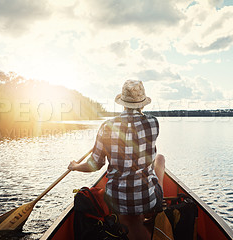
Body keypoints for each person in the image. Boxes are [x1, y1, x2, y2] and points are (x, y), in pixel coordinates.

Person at [68, 80, 165, 240]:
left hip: (115, 200)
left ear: (123, 104)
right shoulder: (153, 122)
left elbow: (95, 165)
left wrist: (75, 166)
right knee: (160, 159)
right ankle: (150, 209)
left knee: (129, 206)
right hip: (148, 200)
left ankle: (131, 220)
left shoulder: (107, 127)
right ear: (142, 104)